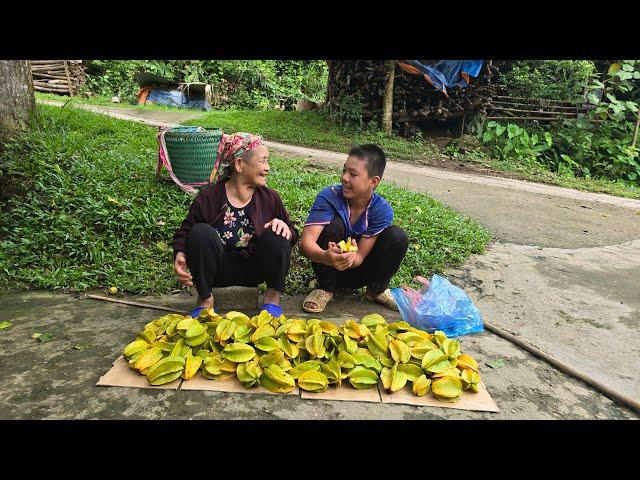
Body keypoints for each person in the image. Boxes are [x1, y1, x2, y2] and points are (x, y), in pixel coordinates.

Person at [172, 132, 298, 318]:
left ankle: (272, 298)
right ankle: (205, 300)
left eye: (267, 161)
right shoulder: (209, 198)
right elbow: (185, 233)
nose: (268, 167)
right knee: (200, 232)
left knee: (277, 233)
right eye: (263, 161)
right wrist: (180, 253)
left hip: (256, 268)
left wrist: (284, 228)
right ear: (239, 164)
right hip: (218, 270)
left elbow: (293, 235)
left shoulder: (270, 198)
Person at [299, 144, 409, 313]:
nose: (344, 177)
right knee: (334, 225)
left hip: (359, 270)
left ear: (373, 182)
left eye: (353, 174)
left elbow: (359, 257)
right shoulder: (329, 196)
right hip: (327, 267)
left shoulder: (381, 210)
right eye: (344, 170)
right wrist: (326, 256)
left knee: (398, 236)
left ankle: (376, 290)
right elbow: (305, 244)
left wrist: (349, 258)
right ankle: (325, 290)